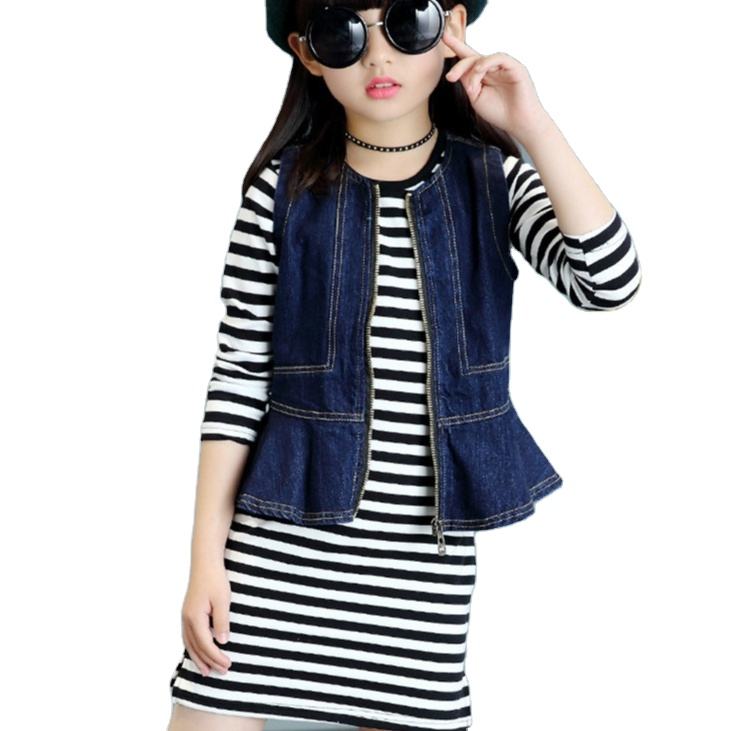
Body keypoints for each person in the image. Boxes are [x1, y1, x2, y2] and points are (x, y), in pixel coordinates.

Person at [168, 1, 642, 730]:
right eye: (343, 32)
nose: (378, 55)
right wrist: (205, 561)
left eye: (405, 21)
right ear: (307, 52)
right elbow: (236, 380)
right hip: (272, 561)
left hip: (419, 586)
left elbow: (607, 280)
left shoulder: (494, 181)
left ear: (451, 28)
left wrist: (533, 126)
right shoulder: (279, 192)